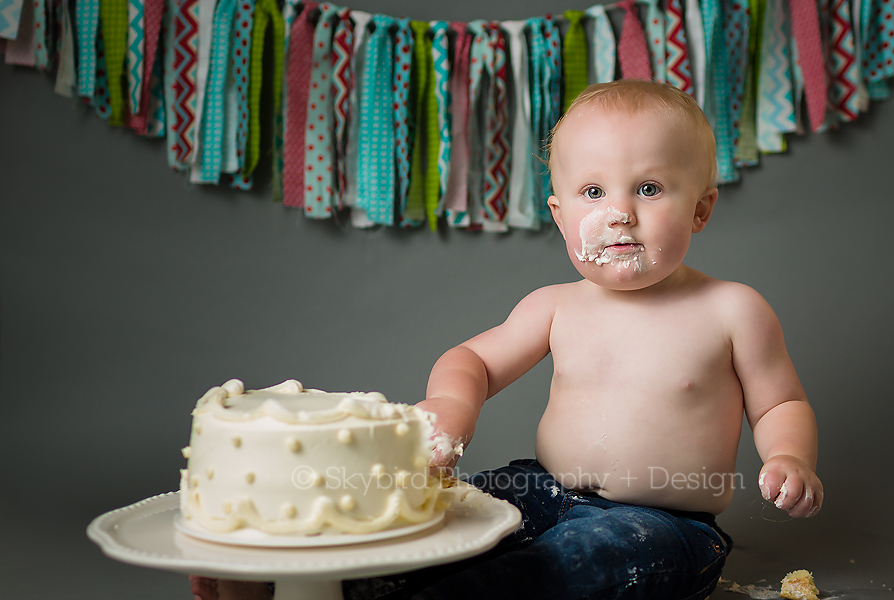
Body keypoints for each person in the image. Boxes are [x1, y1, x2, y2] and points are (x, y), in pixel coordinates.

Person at [192, 79, 823, 600]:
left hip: (665, 523)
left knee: (578, 564)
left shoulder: (732, 310)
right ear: (560, 213)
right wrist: (452, 408)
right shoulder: (555, 306)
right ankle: (297, 578)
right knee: (431, 517)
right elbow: (473, 360)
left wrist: (789, 457)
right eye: (593, 192)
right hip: (538, 488)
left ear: (701, 209)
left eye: (650, 189)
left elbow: (779, 404)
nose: (619, 212)